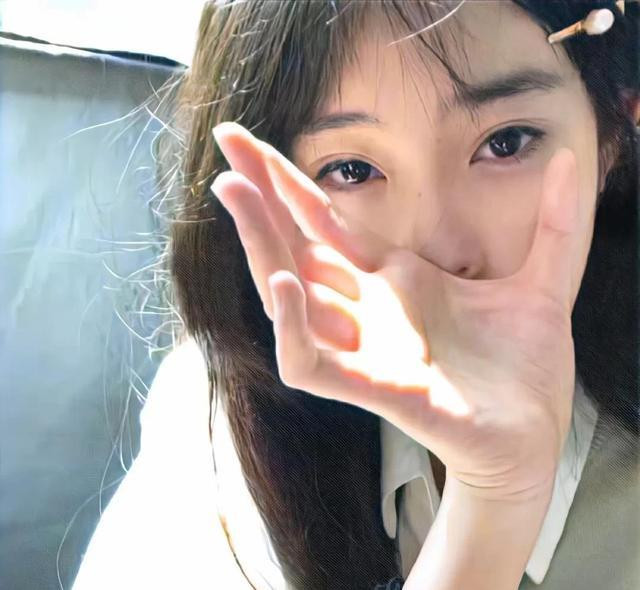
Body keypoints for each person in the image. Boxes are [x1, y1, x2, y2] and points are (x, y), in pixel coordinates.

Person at [73, 1, 639, 589]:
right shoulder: (220, 413)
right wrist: (493, 503)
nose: (437, 250)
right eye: (351, 170)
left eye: (506, 142)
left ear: (613, 136)